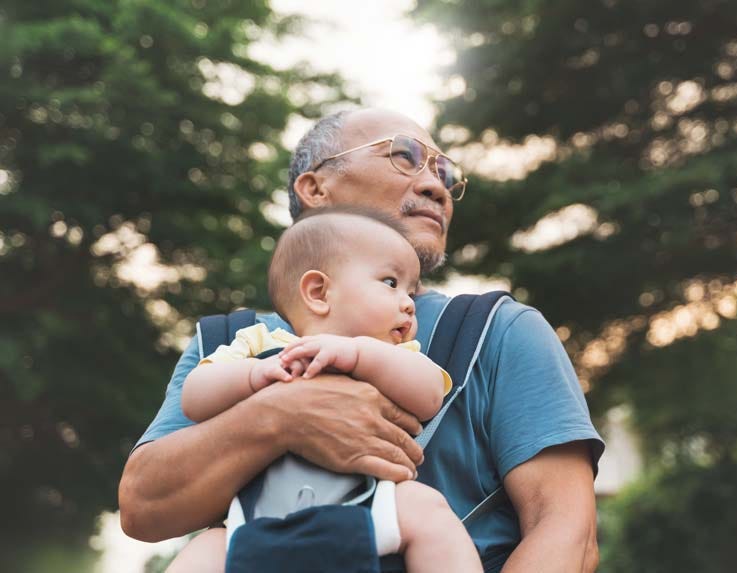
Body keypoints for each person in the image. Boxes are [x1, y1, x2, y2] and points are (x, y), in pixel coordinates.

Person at [119, 108, 604, 573]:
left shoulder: (501, 329)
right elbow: (143, 508)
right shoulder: (227, 342)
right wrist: (281, 416)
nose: (438, 185)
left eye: (446, 172)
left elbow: (566, 532)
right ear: (314, 186)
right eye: (404, 155)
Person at [180, 207, 481, 572]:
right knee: (204, 550)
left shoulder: (392, 356)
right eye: (390, 282)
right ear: (319, 292)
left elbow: (431, 394)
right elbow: (194, 397)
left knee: (430, 513)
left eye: (411, 292)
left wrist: (357, 354)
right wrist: (254, 374)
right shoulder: (257, 342)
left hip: (369, 503)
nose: (408, 303)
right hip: (256, 514)